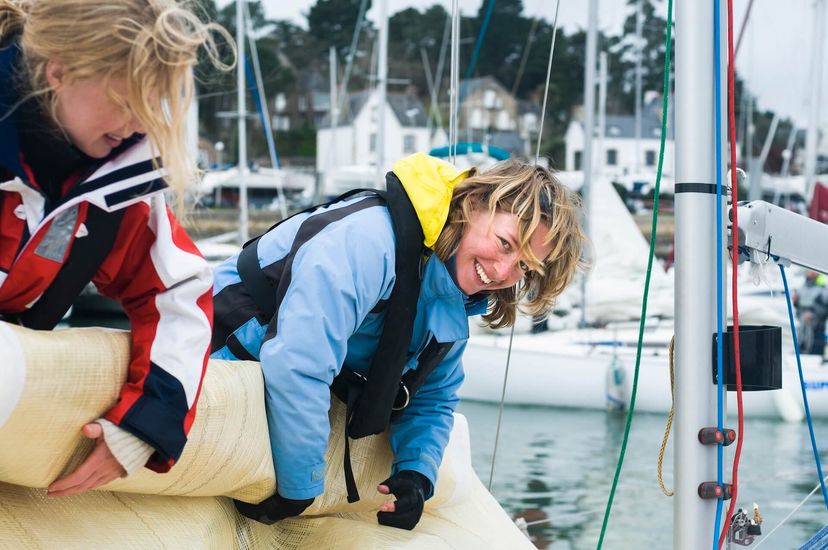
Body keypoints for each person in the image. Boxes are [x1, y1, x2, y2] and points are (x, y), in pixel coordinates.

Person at [212, 152, 586, 530]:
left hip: (276, 396)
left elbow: (433, 394)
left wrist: (415, 476)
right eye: (505, 243)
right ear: (474, 206)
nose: (503, 271)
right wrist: (298, 488)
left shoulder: (452, 293)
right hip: (219, 355)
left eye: (523, 265)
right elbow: (299, 362)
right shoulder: (368, 242)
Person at [0, 0, 232, 497]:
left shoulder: (117, 188)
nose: (139, 125)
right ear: (58, 72)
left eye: (153, 104)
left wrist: (144, 426)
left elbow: (179, 294)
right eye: (128, 101)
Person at [793, 270, 828, 356]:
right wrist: (795, 302)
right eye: (809, 271)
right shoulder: (802, 287)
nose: (811, 272)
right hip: (803, 327)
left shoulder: (823, 288)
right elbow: (799, 306)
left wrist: (813, 314)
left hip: (817, 328)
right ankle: (801, 351)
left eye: (813, 271)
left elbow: (825, 308)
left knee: (815, 353)